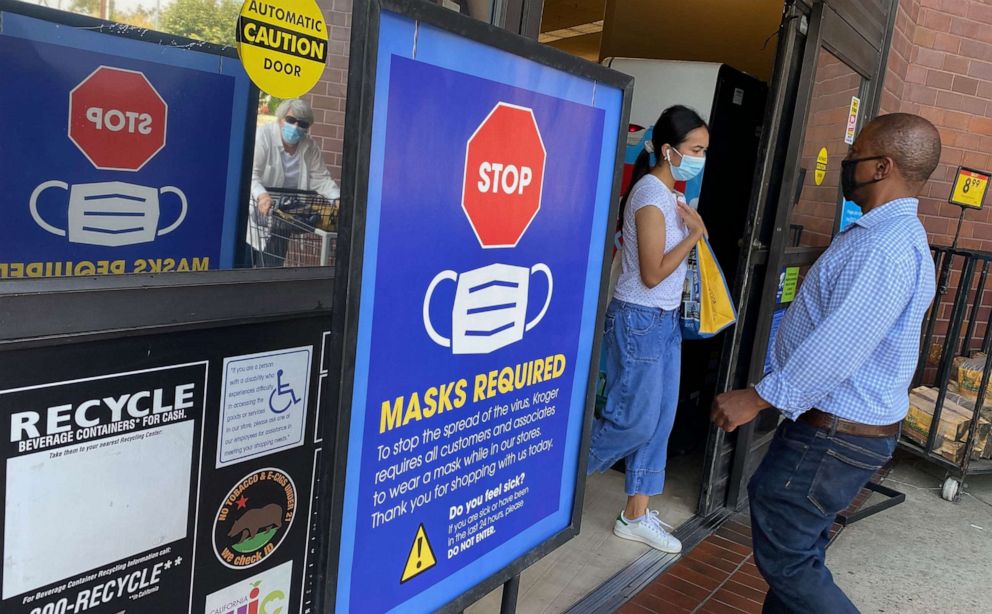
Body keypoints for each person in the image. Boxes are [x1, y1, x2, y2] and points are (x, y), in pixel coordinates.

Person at [711, 113, 941, 613]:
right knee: (801, 549)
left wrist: (758, 397)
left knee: (789, 557)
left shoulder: (885, 246)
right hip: (844, 430)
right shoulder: (887, 236)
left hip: (834, 434)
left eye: (854, 154)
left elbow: (839, 346)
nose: (846, 162)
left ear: (882, 166)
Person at [587, 105, 709, 554]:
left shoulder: (670, 195)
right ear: (667, 149)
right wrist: (695, 236)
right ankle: (552, 482)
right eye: (695, 150)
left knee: (658, 422)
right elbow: (653, 272)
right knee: (631, 422)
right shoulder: (649, 196)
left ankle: (635, 515)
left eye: (704, 150)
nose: (700, 158)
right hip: (640, 318)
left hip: (663, 319)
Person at [247, 99, 340, 267]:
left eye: (303, 124)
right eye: (291, 120)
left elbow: (321, 178)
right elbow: (251, 174)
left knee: (271, 271)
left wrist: (337, 198)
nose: (296, 127)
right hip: (254, 214)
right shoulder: (264, 137)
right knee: (243, 268)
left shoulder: (309, 146)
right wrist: (261, 195)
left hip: (283, 218)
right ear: (280, 119)